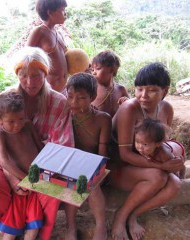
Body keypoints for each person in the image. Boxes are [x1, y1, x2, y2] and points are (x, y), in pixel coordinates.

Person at [0, 46, 74, 240]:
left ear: (46, 74)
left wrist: (37, 177)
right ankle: (10, 226)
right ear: (17, 75)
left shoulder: (58, 102)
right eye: (23, 75)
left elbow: (61, 147)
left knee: (54, 190)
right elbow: (0, 151)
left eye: (36, 75)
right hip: (9, 166)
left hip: (43, 166)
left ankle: (40, 233)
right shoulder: (4, 100)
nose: (30, 82)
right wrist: (13, 177)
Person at [109, 62, 184, 240]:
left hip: (144, 166)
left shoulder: (166, 109)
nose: (143, 95)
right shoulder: (129, 109)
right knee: (158, 177)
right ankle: (120, 215)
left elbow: (161, 144)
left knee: (175, 184)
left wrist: (172, 161)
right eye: (139, 89)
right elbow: (124, 155)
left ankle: (133, 214)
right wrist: (162, 166)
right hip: (116, 167)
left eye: (151, 90)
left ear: (164, 91)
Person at [0, 91, 45, 239]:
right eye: (11, 121)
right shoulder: (0, 135)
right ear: (0, 120)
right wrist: (26, 179)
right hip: (21, 185)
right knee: (10, 231)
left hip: (35, 185)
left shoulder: (28, 126)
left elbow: (40, 147)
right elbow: (4, 161)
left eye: (21, 118)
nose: (17, 125)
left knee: (33, 230)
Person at [66, 73, 111, 240]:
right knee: (71, 183)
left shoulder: (102, 119)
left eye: (81, 98)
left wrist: (100, 171)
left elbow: (102, 149)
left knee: (92, 185)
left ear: (92, 97)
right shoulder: (65, 116)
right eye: (70, 96)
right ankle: (70, 226)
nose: (73, 102)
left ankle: (100, 225)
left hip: (94, 163)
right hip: (70, 162)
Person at [27, 0, 68, 93]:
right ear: (50, 12)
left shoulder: (59, 34)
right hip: (47, 92)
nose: (65, 13)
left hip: (63, 90)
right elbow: (24, 61)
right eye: (62, 9)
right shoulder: (39, 32)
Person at [91, 50, 129, 117]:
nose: (94, 73)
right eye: (93, 70)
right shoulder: (92, 88)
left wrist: (126, 102)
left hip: (117, 126)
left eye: (98, 68)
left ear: (111, 70)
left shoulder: (120, 90)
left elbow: (131, 106)